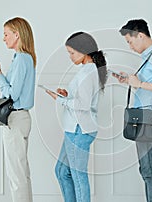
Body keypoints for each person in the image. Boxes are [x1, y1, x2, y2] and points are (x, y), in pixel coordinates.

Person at [114, 19, 152, 202]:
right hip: (143, 117)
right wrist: (131, 81)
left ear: (141, 35)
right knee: (145, 169)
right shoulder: (146, 58)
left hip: (150, 118)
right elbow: (147, 86)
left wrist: (139, 83)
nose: (130, 46)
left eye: (130, 41)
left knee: (149, 169)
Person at [46, 32, 107, 202]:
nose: (70, 57)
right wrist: (67, 95)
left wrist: (60, 100)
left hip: (79, 130)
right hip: (75, 129)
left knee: (78, 176)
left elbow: (83, 105)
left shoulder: (89, 72)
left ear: (84, 51)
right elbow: (81, 99)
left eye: (72, 53)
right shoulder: (87, 70)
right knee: (61, 171)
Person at [0, 17, 37, 202]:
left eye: (6, 34)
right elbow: (13, 90)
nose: (4, 38)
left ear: (17, 34)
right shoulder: (23, 58)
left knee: (16, 174)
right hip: (19, 118)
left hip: (16, 119)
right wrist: (1, 73)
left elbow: (11, 95)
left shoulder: (22, 59)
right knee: (20, 172)